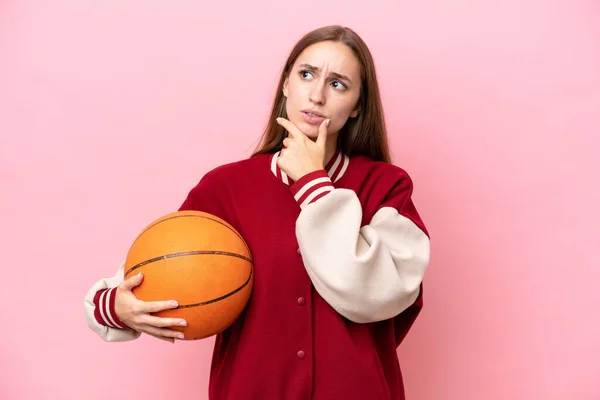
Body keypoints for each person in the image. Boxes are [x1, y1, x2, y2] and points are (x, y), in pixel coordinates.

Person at [84, 25, 431, 400]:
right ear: (286, 85)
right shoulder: (225, 188)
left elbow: (385, 293)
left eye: (338, 84)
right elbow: (142, 280)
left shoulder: (387, 186)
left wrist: (314, 184)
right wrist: (114, 305)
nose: (316, 95)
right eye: (306, 74)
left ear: (358, 105)